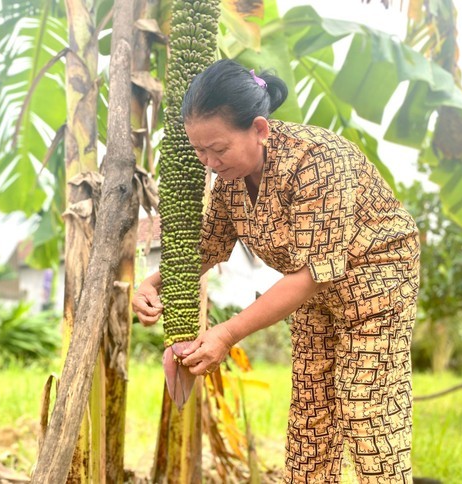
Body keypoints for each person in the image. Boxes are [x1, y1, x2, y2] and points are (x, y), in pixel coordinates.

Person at [132, 59, 420, 483]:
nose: (208, 161)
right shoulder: (230, 178)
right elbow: (206, 249)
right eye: (200, 149)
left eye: (218, 148)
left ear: (260, 129)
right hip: (312, 296)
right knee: (310, 420)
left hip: (375, 286)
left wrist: (226, 334)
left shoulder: (319, 161)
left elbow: (312, 273)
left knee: (365, 409)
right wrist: (152, 283)